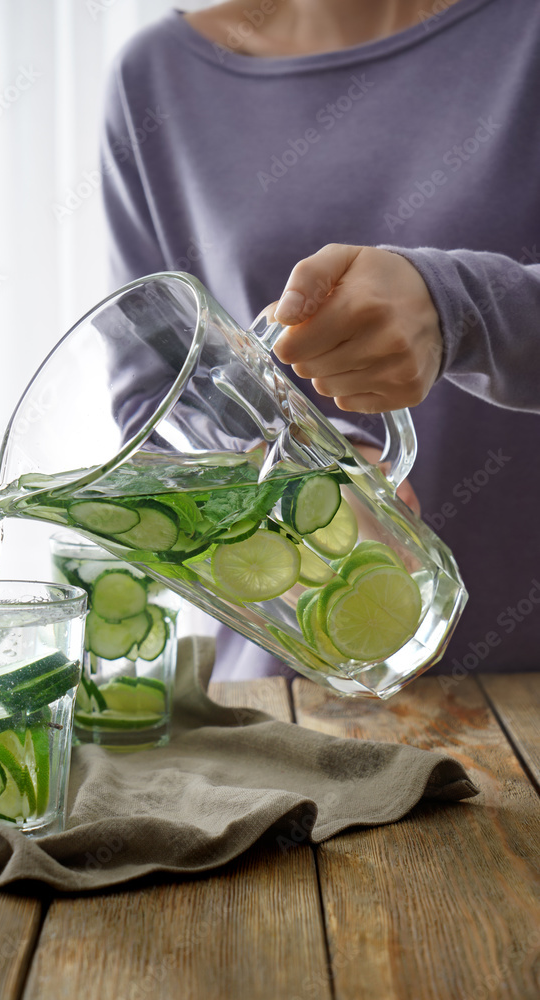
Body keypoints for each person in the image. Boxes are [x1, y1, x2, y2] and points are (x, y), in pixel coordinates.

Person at [99, 0, 540, 680]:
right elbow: (154, 399)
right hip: (287, 710)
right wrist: (299, 456)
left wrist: (461, 308)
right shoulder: (154, 76)